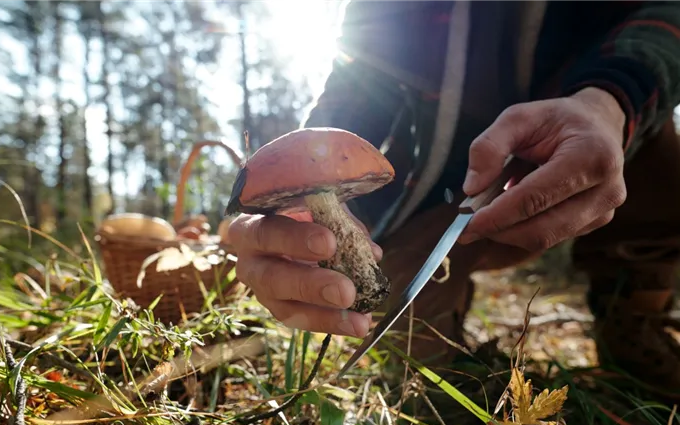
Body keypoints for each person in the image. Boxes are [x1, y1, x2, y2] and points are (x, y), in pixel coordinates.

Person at [228, 0, 680, 395]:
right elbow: (349, 97)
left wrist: (609, 101)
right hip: (445, 194)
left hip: (596, 133)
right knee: (408, 348)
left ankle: (634, 311)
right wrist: (285, 219)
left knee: (656, 142)